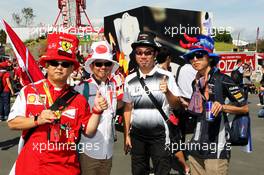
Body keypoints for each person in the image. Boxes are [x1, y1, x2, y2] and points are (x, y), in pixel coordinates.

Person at [7, 33, 108, 175]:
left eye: (65, 64)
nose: (59, 67)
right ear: (46, 65)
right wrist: (37, 120)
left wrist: (97, 111)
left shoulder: (78, 99)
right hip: (33, 167)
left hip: (66, 168)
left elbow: (89, 132)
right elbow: (12, 123)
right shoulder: (30, 91)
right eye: (54, 62)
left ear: (72, 69)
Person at [180, 34, 249, 175]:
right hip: (196, 146)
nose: (194, 60)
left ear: (209, 57)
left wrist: (223, 107)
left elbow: (245, 107)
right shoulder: (196, 83)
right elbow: (196, 110)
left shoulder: (223, 79)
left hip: (217, 147)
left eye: (199, 55)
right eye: (191, 57)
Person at [123, 31, 181, 175]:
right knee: (138, 172)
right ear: (135, 55)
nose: (143, 56)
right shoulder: (129, 79)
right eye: (139, 52)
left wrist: (167, 92)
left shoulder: (166, 76)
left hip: (160, 136)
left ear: (155, 54)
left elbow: (176, 105)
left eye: (148, 52)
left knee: (162, 172)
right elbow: (128, 108)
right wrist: (126, 135)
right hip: (137, 136)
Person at [74, 40, 122, 175]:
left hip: (108, 151)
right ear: (92, 66)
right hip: (88, 152)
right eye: (99, 63)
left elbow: (115, 109)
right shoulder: (81, 88)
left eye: (107, 63)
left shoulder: (113, 86)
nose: (103, 67)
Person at [156, 45, 190, 174]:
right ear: (168, 58)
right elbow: (175, 98)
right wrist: (184, 103)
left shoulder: (153, 72)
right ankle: (184, 168)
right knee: (176, 142)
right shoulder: (167, 74)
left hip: (155, 116)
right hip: (168, 115)